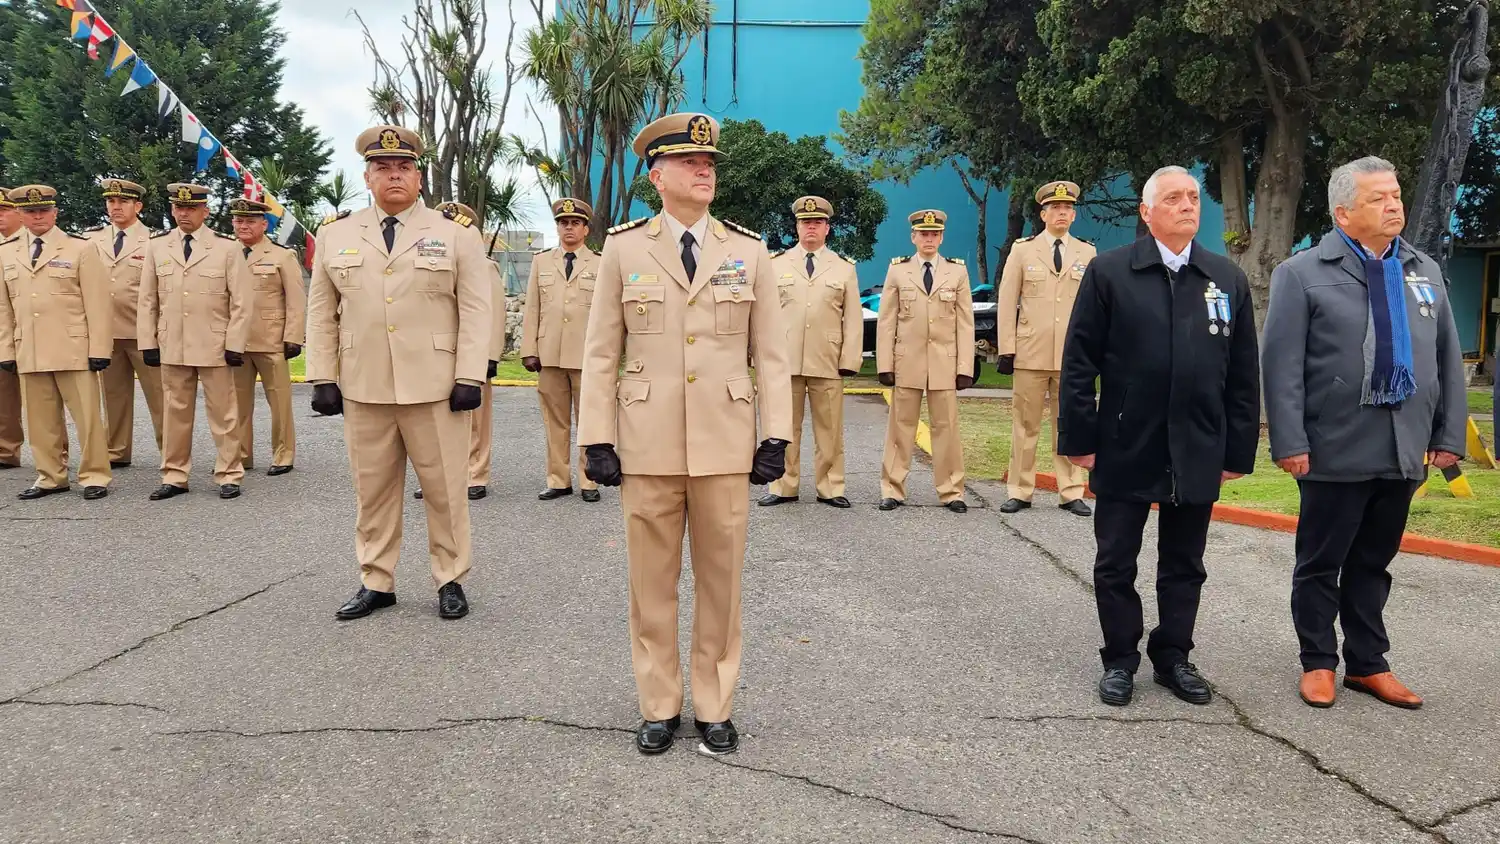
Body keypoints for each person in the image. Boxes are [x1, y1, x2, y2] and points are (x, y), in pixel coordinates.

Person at [577, 112, 792, 756]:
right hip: (645, 441)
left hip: (726, 442)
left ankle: (714, 704)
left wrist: (775, 434)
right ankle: (658, 704)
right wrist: (597, 436)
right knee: (651, 582)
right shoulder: (623, 247)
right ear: (656, 173)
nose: (705, 171)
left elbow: (771, 355)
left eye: (710, 163)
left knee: (722, 582)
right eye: (691, 162)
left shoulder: (747, 250)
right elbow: (599, 351)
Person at [1261, 156, 1468, 710]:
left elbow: (1447, 358)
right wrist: (1290, 441)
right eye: (1379, 198)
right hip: (1333, 443)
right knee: (1321, 562)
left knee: (1374, 561)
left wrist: (1449, 435)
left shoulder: (1422, 270)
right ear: (1344, 213)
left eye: (1395, 194)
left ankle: (1367, 663)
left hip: (1404, 443)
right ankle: (1318, 662)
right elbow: (1280, 365)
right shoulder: (1302, 272)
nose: (1394, 204)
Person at [1057, 165, 1261, 708]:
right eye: (1173, 198)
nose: (1187, 206)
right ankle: (1120, 658)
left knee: (1185, 563)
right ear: (1146, 213)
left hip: (1197, 443)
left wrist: (1237, 449)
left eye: (1193, 197)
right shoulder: (1110, 273)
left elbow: (1243, 372)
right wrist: (1080, 438)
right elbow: (1080, 363)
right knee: (1116, 560)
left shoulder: (1225, 279)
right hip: (1127, 440)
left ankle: (1173, 656)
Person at [305, 125, 492, 622]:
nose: (394, 176)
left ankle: (450, 578)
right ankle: (376, 579)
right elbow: (321, 311)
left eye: (404, 168)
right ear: (367, 176)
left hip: (436, 386)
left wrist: (471, 375)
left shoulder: (455, 233)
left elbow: (477, 309)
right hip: (364, 385)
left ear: (419, 177)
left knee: (445, 490)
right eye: (383, 168)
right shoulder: (336, 234)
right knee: (373, 490)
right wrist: (322, 376)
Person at [137, 183, 251, 501]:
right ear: (173, 210)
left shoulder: (227, 248)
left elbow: (242, 301)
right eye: (178, 208)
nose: (183, 213)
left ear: (205, 211)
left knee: (224, 413)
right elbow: (147, 300)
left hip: (215, 345)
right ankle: (174, 475)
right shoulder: (157, 247)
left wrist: (235, 344)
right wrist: (148, 341)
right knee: (174, 412)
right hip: (172, 343)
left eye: (190, 208)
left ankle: (229, 473)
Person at [0, 185, 113, 500]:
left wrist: (100, 349)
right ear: (21, 215)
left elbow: (98, 303)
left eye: (44, 210)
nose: (38, 216)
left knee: (87, 418)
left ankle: (94, 476)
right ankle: (50, 476)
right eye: (31, 211)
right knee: (40, 420)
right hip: (30, 348)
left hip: (74, 348)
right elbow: (3, 309)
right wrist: (6, 350)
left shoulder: (79, 248)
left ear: (55, 212)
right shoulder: (6, 252)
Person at [995, 181, 1096, 517]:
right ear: (1043, 214)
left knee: (1068, 424)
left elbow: (1096, 308)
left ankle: (1071, 491)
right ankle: (1020, 490)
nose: (1062, 213)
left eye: (1067, 208)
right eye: (1055, 208)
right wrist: (1006, 349)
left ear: (1074, 214)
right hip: (1031, 354)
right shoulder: (1023, 250)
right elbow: (1007, 301)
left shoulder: (1087, 252)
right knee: (1025, 426)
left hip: (1072, 357)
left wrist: (1093, 353)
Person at [757, 195, 862, 509]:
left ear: (827, 228)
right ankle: (783, 485)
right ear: (797, 226)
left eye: (817, 222)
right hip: (785, 360)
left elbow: (853, 320)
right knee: (783, 428)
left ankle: (830, 486)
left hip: (827, 361)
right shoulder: (775, 265)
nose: (811, 227)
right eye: (805, 222)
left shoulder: (844, 269)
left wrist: (850, 360)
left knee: (829, 431)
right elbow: (762, 315)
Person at [875, 209, 975, 513]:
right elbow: (886, 321)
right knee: (900, 428)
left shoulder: (956, 272)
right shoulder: (898, 270)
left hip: (945, 363)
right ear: (913, 237)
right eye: (923, 234)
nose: (929, 239)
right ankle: (892, 489)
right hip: (907, 362)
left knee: (946, 429)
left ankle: (952, 491)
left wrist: (965, 368)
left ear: (942, 237)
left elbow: (965, 323)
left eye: (934, 234)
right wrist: (884, 365)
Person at [415, 200, 503, 502]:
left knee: (475, 421)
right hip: (433, 354)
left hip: (470, 353)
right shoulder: (423, 262)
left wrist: (489, 356)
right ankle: (437, 476)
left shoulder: (484, 266)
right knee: (432, 420)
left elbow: (490, 313)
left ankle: (475, 474)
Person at [521, 197, 602, 503]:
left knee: (589, 420)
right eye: (563, 223)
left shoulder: (600, 262)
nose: (569, 228)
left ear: (586, 229)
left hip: (586, 356)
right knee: (555, 421)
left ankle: (588, 480)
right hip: (550, 354)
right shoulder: (542, 262)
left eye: (575, 223)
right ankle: (558, 479)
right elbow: (532, 308)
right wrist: (529, 349)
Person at [90, 178, 164, 469]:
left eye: (122, 202)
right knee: (113, 396)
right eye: (111, 202)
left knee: (160, 398)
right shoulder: (91, 239)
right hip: (107, 333)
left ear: (138, 206)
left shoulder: (155, 241)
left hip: (143, 333)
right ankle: (116, 451)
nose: (115, 207)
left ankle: (171, 452)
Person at [230, 198, 306, 477]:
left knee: (280, 402)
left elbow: (296, 299)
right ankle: (241, 454)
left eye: (250, 221)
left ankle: (283, 454)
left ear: (264, 224)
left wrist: (294, 336)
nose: (243, 226)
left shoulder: (282, 255)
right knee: (237, 403)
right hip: (237, 341)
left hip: (272, 339)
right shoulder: (227, 253)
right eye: (238, 220)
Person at [0, 187, 24, 471]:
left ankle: (58, 453)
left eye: (4, 211)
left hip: (34, 329)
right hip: (3, 331)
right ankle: (6, 451)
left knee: (48, 399)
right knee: (4, 394)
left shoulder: (31, 243)